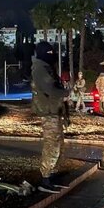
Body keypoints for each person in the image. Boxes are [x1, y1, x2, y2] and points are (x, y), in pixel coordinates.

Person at [31, 41, 70, 193]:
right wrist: (67, 94)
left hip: (54, 110)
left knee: (58, 145)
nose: (51, 55)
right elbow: (50, 89)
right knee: (52, 145)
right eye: (49, 53)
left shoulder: (45, 67)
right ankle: (45, 179)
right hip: (48, 112)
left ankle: (52, 175)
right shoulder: (40, 69)